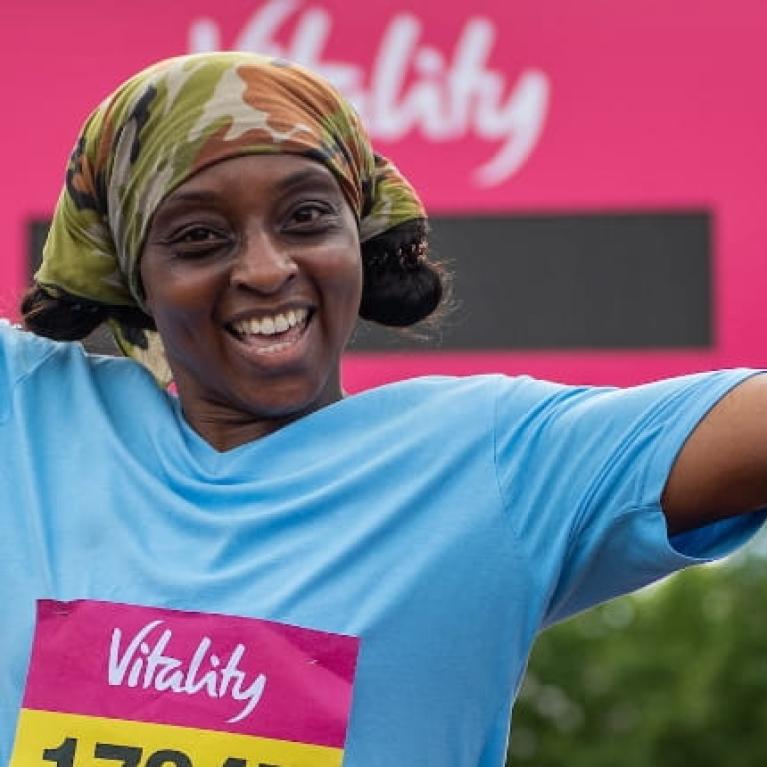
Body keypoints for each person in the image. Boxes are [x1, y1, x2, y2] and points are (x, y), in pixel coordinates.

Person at [1, 51, 766, 766]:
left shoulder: (489, 463)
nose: (268, 269)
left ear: (357, 241)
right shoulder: (29, 414)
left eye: (306, 217)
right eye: (199, 237)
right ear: (137, 276)